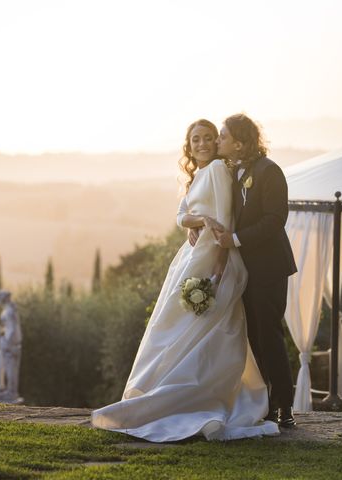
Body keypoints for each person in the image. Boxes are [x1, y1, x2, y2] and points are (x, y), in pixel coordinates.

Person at [91, 119, 279, 442]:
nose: (204, 143)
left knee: (208, 332)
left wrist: (218, 270)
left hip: (214, 261)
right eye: (197, 140)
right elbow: (181, 214)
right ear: (188, 146)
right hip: (193, 258)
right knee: (171, 328)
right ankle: (159, 394)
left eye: (210, 138)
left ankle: (204, 398)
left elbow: (226, 221)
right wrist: (197, 219)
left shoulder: (219, 171)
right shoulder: (197, 175)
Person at [212, 113, 297, 427]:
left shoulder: (270, 171)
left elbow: (275, 220)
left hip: (269, 267)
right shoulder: (232, 173)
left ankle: (284, 406)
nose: (218, 140)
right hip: (243, 269)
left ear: (240, 141)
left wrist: (234, 239)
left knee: (269, 335)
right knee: (254, 338)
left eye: (223, 136)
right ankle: (264, 403)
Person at [0, 289, 23, 403]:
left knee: (10, 368)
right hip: (5, 343)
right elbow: (8, 327)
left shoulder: (10, 311)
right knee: (0, 363)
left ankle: (11, 391)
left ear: (2, 299)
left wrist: (7, 341)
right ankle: (2, 386)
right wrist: (1, 332)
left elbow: (13, 329)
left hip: (9, 344)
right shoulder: (8, 310)